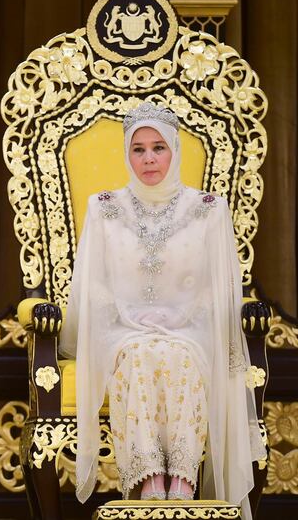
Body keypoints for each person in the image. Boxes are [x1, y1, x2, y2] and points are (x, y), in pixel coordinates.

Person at [60, 102, 265, 517]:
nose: (149, 158)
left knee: (177, 355)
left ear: (175, 150)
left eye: (158, 147)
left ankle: (184, 480)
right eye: (138, 149)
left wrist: (181, 317)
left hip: (192, 331)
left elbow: (219, 289)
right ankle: (149, 476)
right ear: (126, 153)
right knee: (140, 353)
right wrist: (129, 316)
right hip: (121, 330)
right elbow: (92, 285)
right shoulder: (104, 207)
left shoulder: (209, 208)